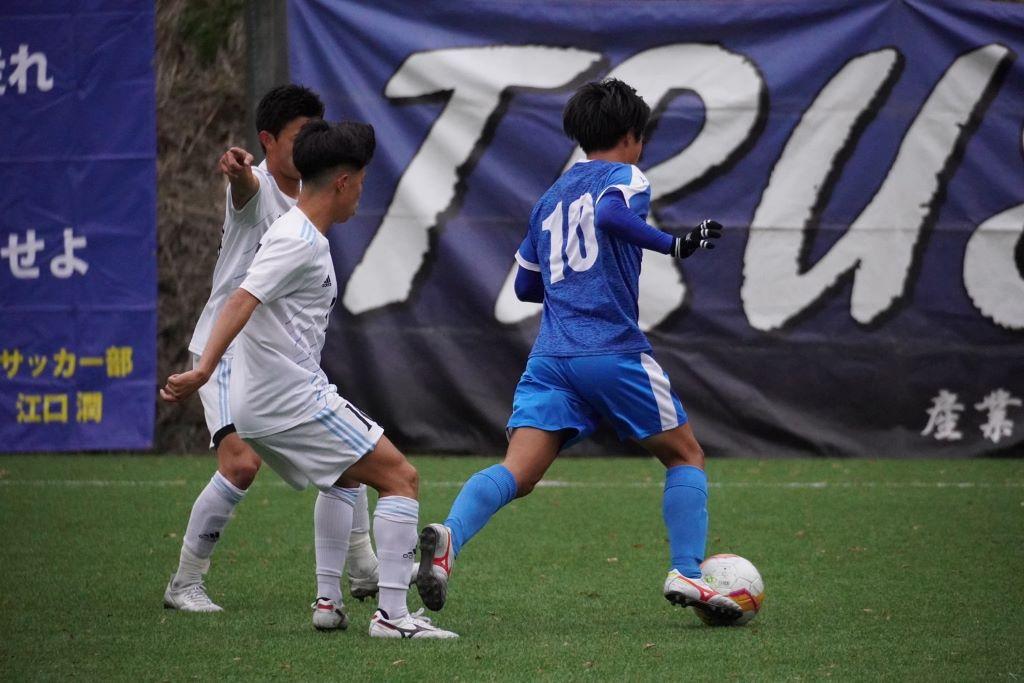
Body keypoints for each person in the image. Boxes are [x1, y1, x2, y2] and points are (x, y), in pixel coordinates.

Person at [415, 78, 742, 626]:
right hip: (610, 350)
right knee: (686, 456)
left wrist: (571, 287)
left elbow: (526, 285)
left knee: (517, 473)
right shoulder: (626, 176)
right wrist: (675, 244)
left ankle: (449, 539)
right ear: (632, 136)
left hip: (550, 359)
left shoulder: (549, 198)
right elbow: (611, 216)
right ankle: (686, 570)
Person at [161, 119, 457, 639]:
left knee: (344, 477)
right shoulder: (297, 239)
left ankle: (328, 603)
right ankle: (392, 616)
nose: (361, 193)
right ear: (342, 182)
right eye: (360, 182)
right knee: (401, 478)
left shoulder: (302, 234)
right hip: (289, 399)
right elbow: (241, 298)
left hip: (272, 399)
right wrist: (204, 369)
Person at [163, 86, 379, 627]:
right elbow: (245, 187)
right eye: (298, 135)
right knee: (240, 464)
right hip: (227, 350)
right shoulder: (257, 187)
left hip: (278, 355)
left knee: (347, 453)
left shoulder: (315, 190)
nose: (309, 144)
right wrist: (236, 172)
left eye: (314, 133)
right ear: (267, 141)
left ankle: (362, 569)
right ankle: (185, 582)